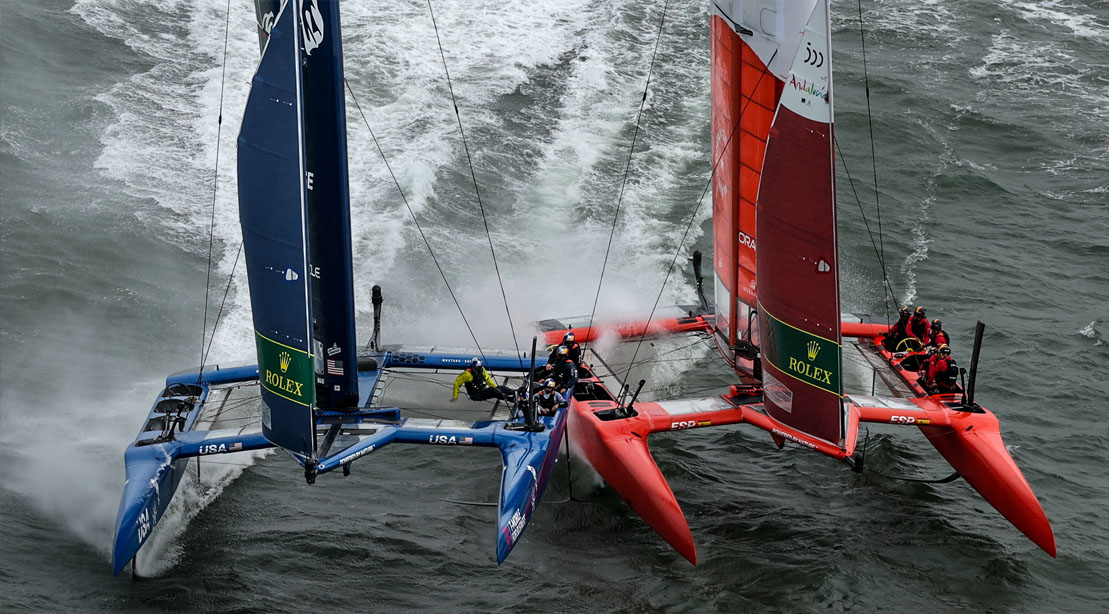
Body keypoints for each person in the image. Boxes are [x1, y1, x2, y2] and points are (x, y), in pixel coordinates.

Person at [450, 358, 514, 403]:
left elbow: (487, 379)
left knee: (498, 389)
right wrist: (455, 396)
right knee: (492, 390)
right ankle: (510, 399)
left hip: (482, 390)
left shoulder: (482, 370)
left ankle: (514, 392)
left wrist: (496, 387)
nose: (475, 370)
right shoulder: (467, 374)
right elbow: (456, 384)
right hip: (475, 395)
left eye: (477, 368)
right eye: (474, 368)